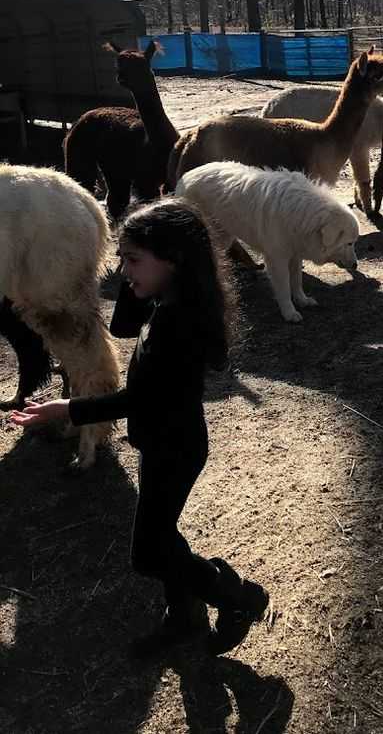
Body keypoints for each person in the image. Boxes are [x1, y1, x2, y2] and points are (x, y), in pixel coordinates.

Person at [10, 199, 268, 659]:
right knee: (163, 535)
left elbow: (139, 400)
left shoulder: (180, 323)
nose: (122, 271)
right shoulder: (165, 300)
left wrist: (68, 408)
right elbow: (124, 325)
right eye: (122, 259)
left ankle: (236, 594)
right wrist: (137, 280)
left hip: (176, 447)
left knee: (147, 554)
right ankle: (184, 614)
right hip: (158, 440)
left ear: (174, 259)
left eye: (132, 261)